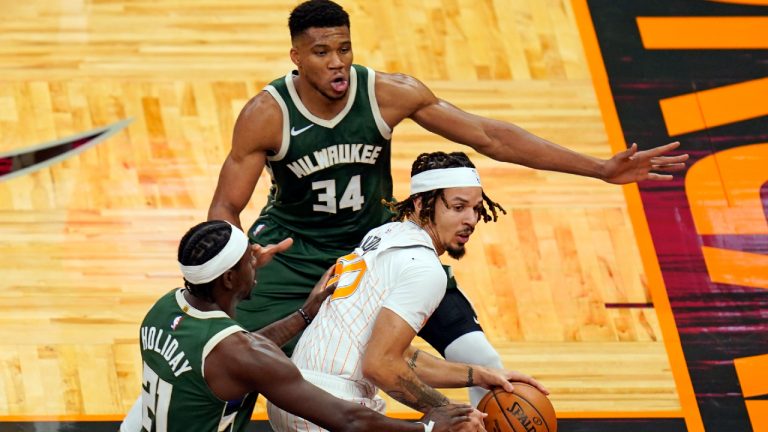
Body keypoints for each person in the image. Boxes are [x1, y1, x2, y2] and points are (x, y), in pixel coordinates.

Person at [207, 0, 689, 406]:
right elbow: (226, 207)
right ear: (296, 56)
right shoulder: (267, 115)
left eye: (344, 48)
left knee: (488, 369)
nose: (337, 62)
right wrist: (234, 255)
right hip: (294, 256)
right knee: (227, 369)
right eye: (322, 52)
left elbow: (490, 137)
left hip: (378, 248)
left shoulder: (388, 94)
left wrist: (600, 168)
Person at [267, 151, 548, 432]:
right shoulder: (425, 268)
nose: (471, 220)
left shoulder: (384, 234)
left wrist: (478, 374)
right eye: (458, 207)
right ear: (422, 202)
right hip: (336, 405)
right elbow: (380, 364)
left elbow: (395, 354)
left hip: (295, 394)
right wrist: (447, 412)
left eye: (476, 208)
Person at [120, 220, 485, 432]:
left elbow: (232, 353)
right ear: (229, 280)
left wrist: (306, 313)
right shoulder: (242, 355)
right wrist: (428, 427)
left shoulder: (166, 307)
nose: (258, 257)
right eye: (250, 256)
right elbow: (348, 419)